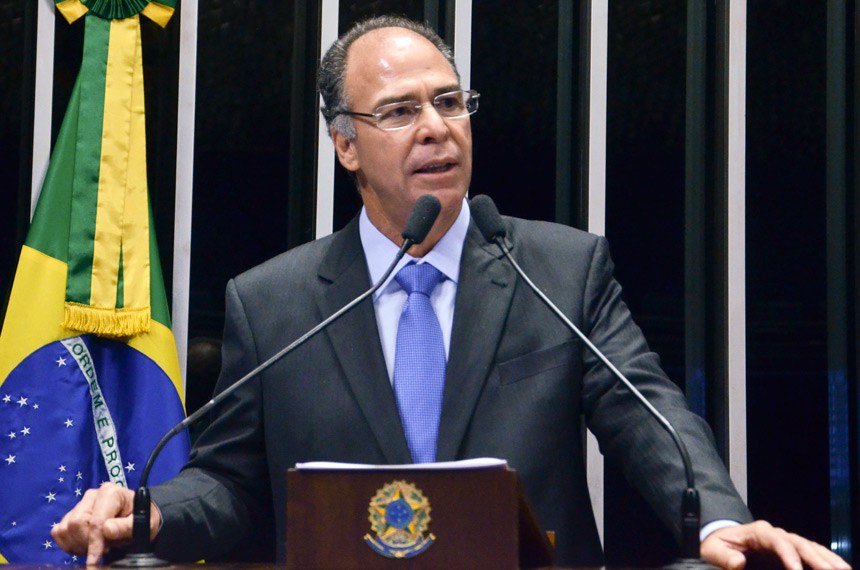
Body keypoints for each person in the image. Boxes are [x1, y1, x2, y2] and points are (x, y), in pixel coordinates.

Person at [53, 15, 849, 570]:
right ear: (345, 145)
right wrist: (150, 512)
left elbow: (651, 418)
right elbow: (229, 482)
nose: (436, 126)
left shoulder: (559, 270)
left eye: (448, 101)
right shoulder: (274, 304)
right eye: (400, 111)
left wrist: (719, 518)